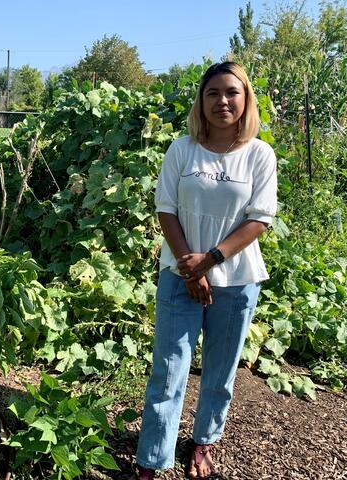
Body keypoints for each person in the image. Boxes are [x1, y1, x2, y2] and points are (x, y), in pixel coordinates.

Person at [133, 62, 278, 479]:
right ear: (201, 100)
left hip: (236, 281)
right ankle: (152, 459)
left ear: (246, 98)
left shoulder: (259, 154)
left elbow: (260, 218)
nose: (222, 101)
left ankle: (202, 442)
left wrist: (210, 260)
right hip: (179, 275)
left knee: (220, 370)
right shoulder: (182, 149)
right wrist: (190, 269)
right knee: (168, 369)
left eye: (232, 92)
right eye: (212, 93)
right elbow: (166, 209)